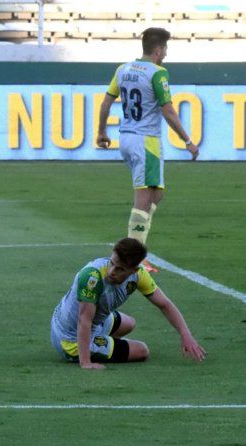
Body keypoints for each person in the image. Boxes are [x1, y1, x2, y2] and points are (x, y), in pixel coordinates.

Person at [96, 27, 199, 254]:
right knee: (143, 200)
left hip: (126, 138)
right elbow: (168, 111)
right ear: (158, 49)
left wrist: (102, 132)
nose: (166, 54)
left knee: (156, 194)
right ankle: (131, 257)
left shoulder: (123, 69)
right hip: (146, 141)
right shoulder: (157, 72)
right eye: (165, 49)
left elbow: (105, 103)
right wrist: (187, 140)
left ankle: (137, 244)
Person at [50, 237, 206, 369]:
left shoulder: (139, 276)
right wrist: (86, 363)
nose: (112, 271)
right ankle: (94, 346)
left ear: (134, 270)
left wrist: (186, 335)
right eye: (111, 263)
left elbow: (164, 304)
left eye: (120, 269)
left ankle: (102, 343)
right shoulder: (92, 277)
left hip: (92, 323)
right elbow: (84, 320)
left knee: (129, 323)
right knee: (142, 350)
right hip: (69, 338)